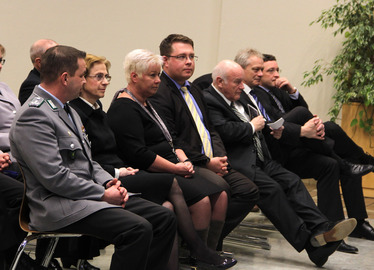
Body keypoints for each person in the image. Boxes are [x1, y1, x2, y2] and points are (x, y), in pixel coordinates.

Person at [9, 45, 177, 270]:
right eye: (81, 76)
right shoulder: (34, 115)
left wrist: (108, 181)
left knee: (163, 217)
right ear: (66, 78)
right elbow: (55, 178)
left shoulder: (66, 109)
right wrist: (103, 194)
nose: (83, 81)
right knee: (137, 228)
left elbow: (87, 161)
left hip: (84, 196)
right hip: (57, 205)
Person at [70, 53, 236, 269]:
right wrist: (120, 172)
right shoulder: (95, 110)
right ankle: (197, 251)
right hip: (110, 177)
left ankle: (187, 258)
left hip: (121, 171)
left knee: (174, 205)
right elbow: (114, 156)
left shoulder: (98, 110)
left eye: (107, 76)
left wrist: (182, 160)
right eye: (98, 76)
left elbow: (170, 139)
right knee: (172, 186)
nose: (105, 82)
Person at [203, 59, 357, 267]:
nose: (242, 86)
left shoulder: (240, 97)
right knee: (273, 190)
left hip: (262, 157)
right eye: (237, 82)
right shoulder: (210, 99)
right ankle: (311, 245)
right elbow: (224, 131)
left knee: (291, 180)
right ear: (220, 82)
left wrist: (273, 131)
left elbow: (261, 124)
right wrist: (251, 127)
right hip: (239, 163)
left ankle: (322, 227)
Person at [233, 48, 367, 253]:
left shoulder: (275, 91)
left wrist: (293, 92)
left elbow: (303, 112)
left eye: (274, 70)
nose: (273, 74)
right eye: (264, 70)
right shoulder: (246, 93)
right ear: (242, 70)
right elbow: (274, 124)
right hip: (274, 150)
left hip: (290, 145)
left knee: (329, 163)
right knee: (328, 130)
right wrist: (304, 131)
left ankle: (334, 230)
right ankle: (354, 162)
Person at [148, 34, 259, 252]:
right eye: (181, 56)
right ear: (165, 61)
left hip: (210, 160)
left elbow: (211, 129)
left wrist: (220, 159)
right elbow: (173, 138)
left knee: (248, 190)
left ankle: (203, 245)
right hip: (187, 162)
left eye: (191, 56)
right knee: (221, 189)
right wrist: (207, 162)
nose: (189, 61)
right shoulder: (160, 92)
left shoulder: (195, 89)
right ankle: (198, 249)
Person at [19, 39, 58, 105]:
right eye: (55, 57)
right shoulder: (32, 85)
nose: (62, 60)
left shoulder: (55, 80)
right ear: (39, 62)